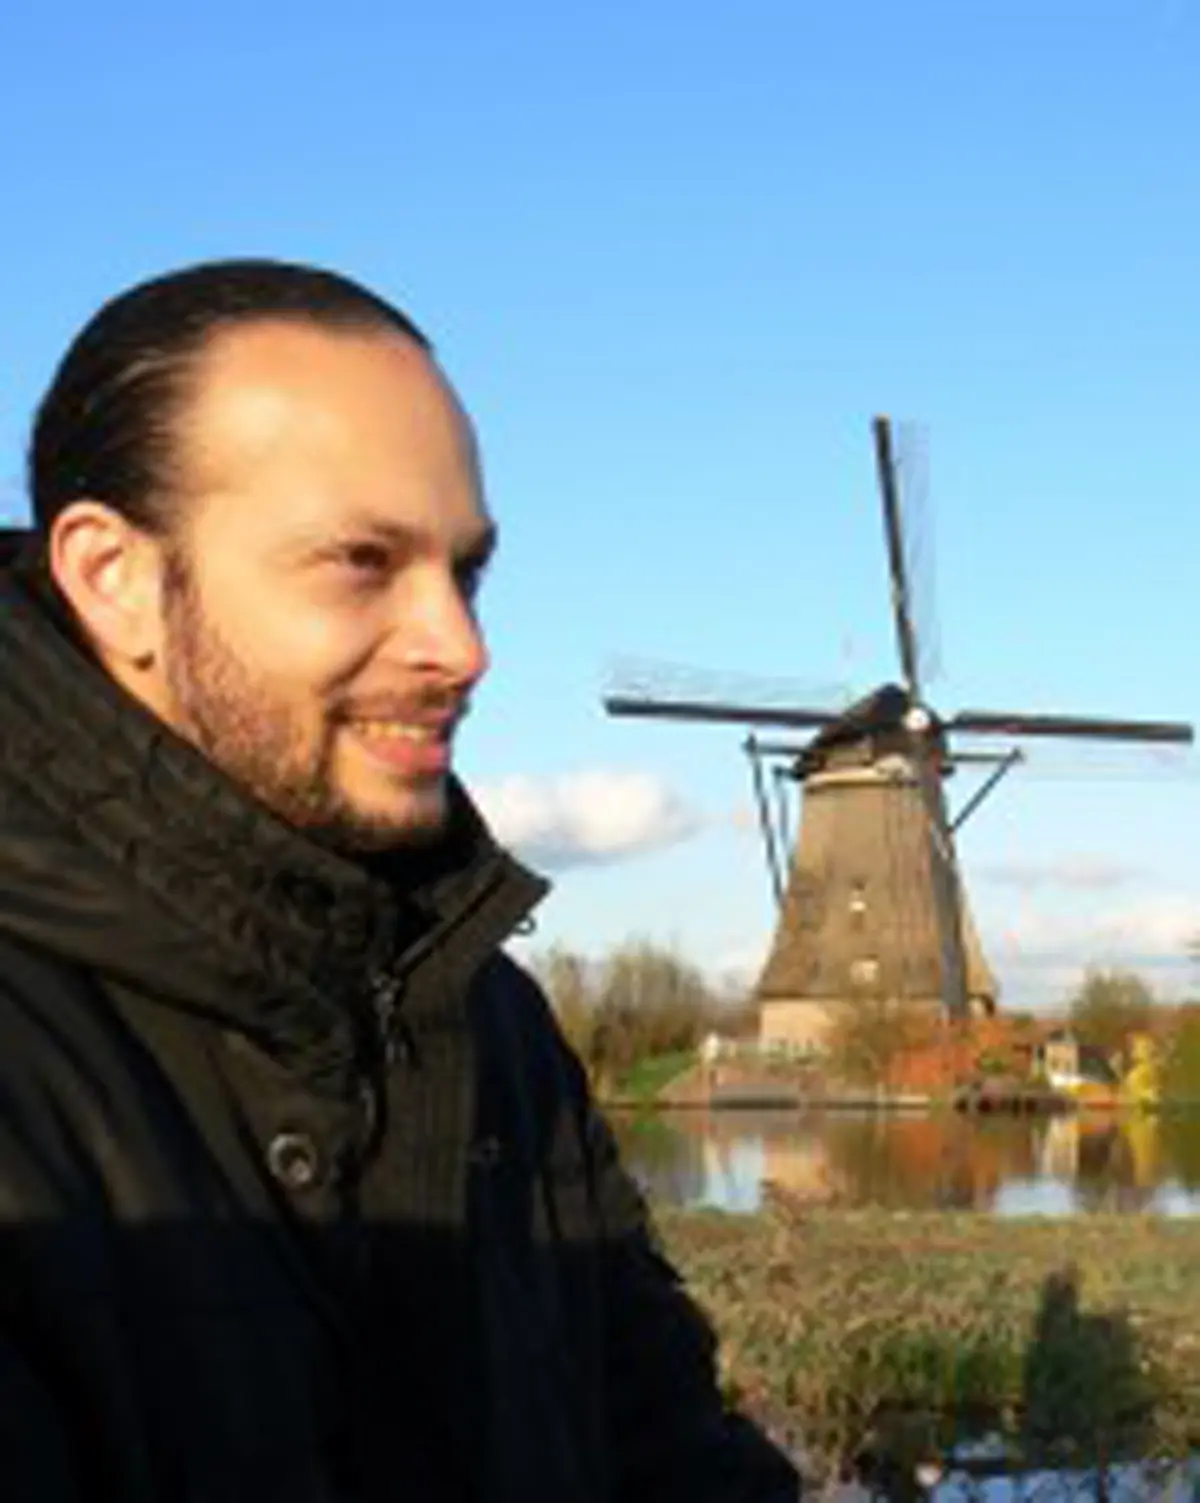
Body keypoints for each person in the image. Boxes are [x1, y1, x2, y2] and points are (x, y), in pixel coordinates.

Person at [0, 260, 799, 1502]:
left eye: (465, 571)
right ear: (115, 578)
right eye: (362, 562)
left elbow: (662, 1446)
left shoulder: (484, 1015)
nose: (463, 648)